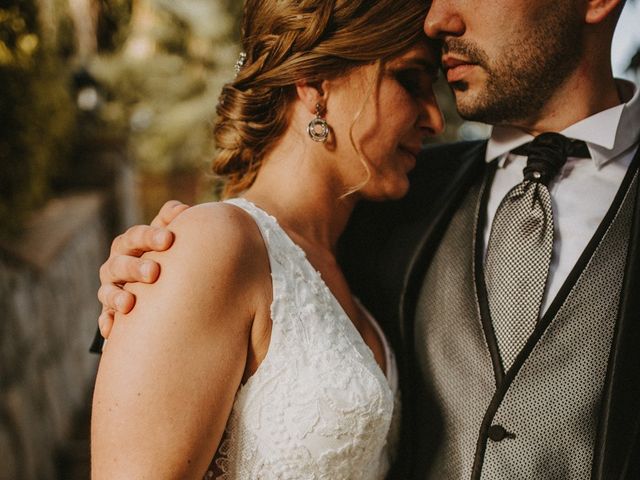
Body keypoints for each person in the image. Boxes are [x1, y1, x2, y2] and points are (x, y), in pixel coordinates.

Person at [97, 0, 640, 478]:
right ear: (313, 81)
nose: (439, 16)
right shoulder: (404, 195)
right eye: (409, 79)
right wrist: (149, 282)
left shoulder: (363, 207)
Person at [90, 0, 445, 478]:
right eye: (411, 79)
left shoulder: (355, 254)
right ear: (317, 82)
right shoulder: (214, 244)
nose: (436, 119)